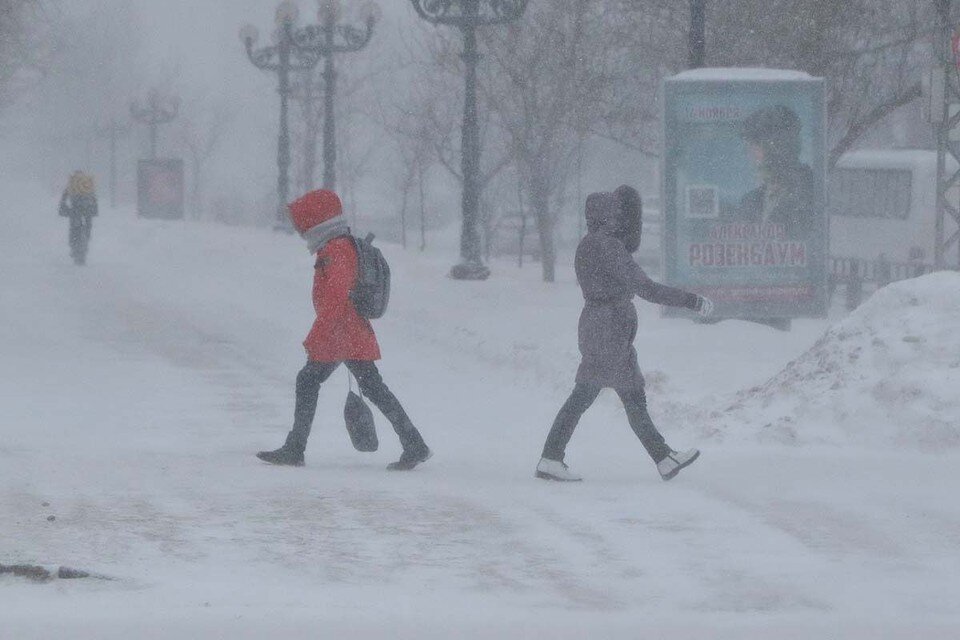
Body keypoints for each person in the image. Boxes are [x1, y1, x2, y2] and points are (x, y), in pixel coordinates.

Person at [535, 187, 713, 482]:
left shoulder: (587, 245)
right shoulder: (608, 247)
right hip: (609, 330)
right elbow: (646, 288)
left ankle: (662, 457)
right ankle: (551, 458)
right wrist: (690, 300)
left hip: (599, 327)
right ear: (608, 216)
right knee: (603, 395)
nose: (620, 219)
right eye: (615, 214)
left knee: (615, 395)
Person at [256, 189, 432, 471]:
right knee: (371, 388)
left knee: (311, 381)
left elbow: (336, 297)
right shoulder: (336, 246)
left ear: (316, 223)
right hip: (346, 331)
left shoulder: (336, 250)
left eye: (303, 224)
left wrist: (317, 336)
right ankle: (414, 443)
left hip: (342, 332)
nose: (301, 231)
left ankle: (295, 448)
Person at [735, 105, 815, 239]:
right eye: (748, 147)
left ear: (776, 147)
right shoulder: (750, 201)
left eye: (754, 147)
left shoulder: (811, 193)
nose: (750, 155)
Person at [59, 171, 98, 265]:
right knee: (88, 227)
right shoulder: (87, 185)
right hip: (87, 210)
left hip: (75, 211)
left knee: (73, 229)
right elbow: (94, 198)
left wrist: (63, 208)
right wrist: (95, 210)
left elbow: (64, 198)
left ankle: (73, 245)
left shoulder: (72, 185)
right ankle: (86, 241)